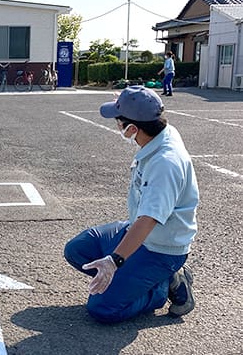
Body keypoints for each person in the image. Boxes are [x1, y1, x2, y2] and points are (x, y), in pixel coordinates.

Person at [64, 85, 199, 323]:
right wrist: (127, 101)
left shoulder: (165, 163)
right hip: (140, 229)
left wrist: (114, 260)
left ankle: (164, 285)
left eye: (119, 121)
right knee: (77, 250)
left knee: (102, 309)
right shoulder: (159, 129)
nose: (116, 125)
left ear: (132, 128)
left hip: (161, 247)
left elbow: (149, 220)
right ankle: (132, 279)